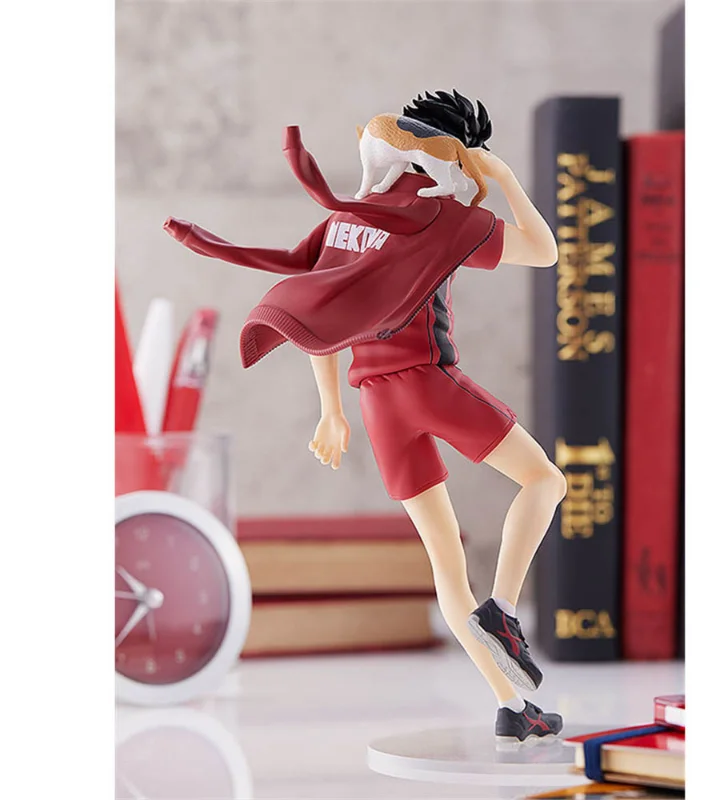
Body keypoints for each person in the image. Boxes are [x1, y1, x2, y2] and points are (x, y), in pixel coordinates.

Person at [165, 90, 567, 743]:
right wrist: (507, 180)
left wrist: (331, 411)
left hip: (375, 403)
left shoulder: (346, 218)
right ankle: (504, 607)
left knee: (445, 565)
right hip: (429, 382)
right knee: (545, 480)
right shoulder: (445, 216)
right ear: (458, 155)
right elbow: (544, 251)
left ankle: (512, 708)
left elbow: (315, 312)